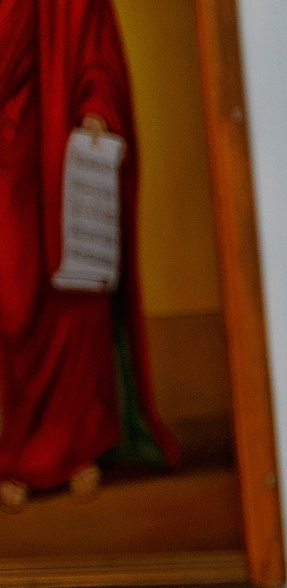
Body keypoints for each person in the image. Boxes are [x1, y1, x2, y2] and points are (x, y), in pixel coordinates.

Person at [0, 0, 180, 511]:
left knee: (75, 298)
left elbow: (98, 52)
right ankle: (22, 451)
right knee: (14, 306)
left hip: (62, 146)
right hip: (9, 159)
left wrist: (97, 106)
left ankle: (81, 449)